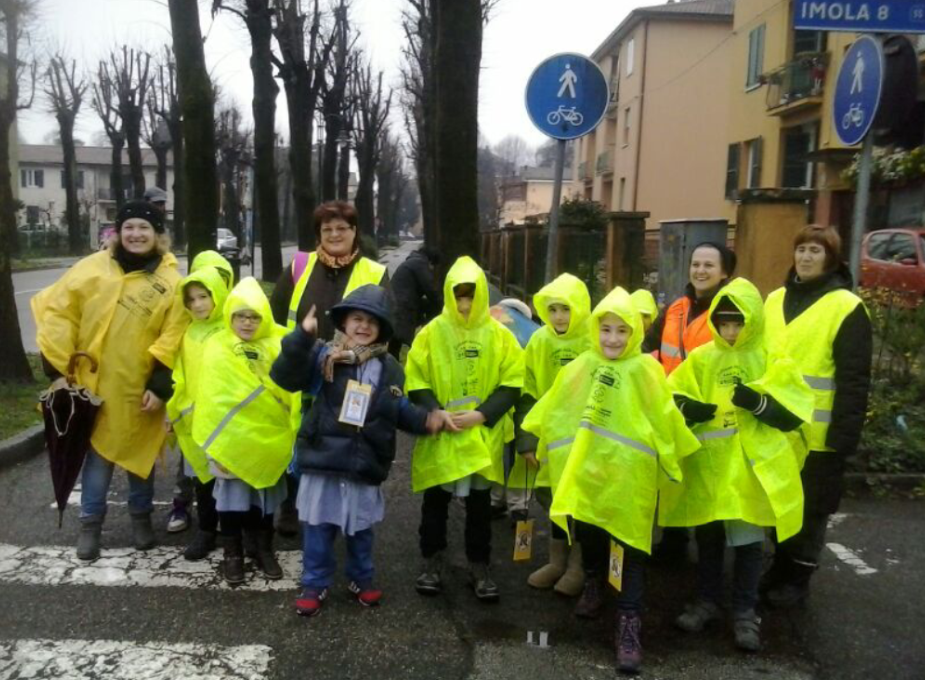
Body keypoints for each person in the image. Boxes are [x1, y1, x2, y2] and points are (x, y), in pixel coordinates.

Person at [524, 286, 699, 674]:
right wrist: (539, 447)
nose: (613, 339)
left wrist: (671, 463)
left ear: (634, 333)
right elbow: (553, 412)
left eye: (622, 331)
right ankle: (593, 584)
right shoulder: (578, 368)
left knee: (632, 554)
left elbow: (666, 419)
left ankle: (628, 630)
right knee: (591, 541)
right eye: (606, 330)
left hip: (629, 484)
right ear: (595, 329)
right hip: (589, 477)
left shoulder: (646, 371)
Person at [270, 285, 452, 617]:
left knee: (361, 530)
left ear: (382, 327)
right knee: (318, 529)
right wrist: (301, 338)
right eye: (357, 318)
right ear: (344, 322)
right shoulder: (323, 355)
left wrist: (427, 420)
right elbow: (284, 376)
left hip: (365, 461)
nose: (364, 326)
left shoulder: (390, 368)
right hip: (323, 460)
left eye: (372, 320)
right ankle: (315, 583)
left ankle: (361, 578)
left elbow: (398, 408)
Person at [661, 278, 814, 652]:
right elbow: (672, 396)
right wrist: (689, 410)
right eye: (724, 323)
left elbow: (794, 414)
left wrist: (759, 404)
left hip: (748, 471)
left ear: (752, 322)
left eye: (737, 323)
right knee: (709, 540)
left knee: (747, 546)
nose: (730, 331)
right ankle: (707, 601)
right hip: (712, 468)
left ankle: (745, 611)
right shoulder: (702, 358)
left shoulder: (770, 357)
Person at [32, 200, 189, 560]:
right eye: (129, 227)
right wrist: (57, 372)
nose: (136, 234)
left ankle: (141, 520)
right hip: (91, 387)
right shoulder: (90, 269)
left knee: (140, 459)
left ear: (157, 234)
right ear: (118, 231)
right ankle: (90, 526)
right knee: (97, 461)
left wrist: (160, 384)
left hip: (139, 386)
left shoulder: (169, 282)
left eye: (144, 228)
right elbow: (59, 314)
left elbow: (173, 335)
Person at [761, 225, 872, 608]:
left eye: (816, 250)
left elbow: (855, 379)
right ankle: (778, 566)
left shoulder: (846, 307)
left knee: (811, 512)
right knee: (778, 504)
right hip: (774, 428)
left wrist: (844, 439)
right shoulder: (774, 300)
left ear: (831, 258)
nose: (806, 257)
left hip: (818, 436)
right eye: (802, 249)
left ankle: (798, 577)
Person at [406, 256, 524, 602]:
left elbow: (512, 383)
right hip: (442, 431)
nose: (465, 304)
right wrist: (435, 411)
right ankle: (432, 561)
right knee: (435, 502)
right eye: (459, 296)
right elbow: (416, 378)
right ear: (448, 295)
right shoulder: (431, 334)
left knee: (478, 506)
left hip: (479, 435)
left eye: (471, 297)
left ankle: (480, 565)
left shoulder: (500, 336)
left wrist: (483, 415)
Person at [270, 201, 389, 537]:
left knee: (344, 441)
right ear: (318, 234)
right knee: (299, 436)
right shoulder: (298, 266)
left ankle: (339, 509)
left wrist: (355, 354)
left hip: (350, 373)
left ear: (355, 232)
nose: (335, 234)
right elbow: (275, 317)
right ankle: (292, 505)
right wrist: (294, 351)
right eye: (327, 229)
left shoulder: (375, 272)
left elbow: (388, 328)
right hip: (303, 370)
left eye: (342, 228)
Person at [192, 277, 294, 585]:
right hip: (230, 441)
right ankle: (232, 553)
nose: (247, 323)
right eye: (240, 316)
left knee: (262, 500)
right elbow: (211, 397)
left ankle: (263, 549)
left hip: (268, 439)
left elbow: (289, 391)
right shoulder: (217, 346)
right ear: (230, 316)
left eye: (254, 316)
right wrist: (217, 445)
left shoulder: (278, 343)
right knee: (232, 503)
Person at [644, 242, 737, 563]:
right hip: (672, 406)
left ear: (725, 272)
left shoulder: (731, 312)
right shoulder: (675, 308)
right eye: (696, 264)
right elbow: (648, 350)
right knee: (674, 476)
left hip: (710, 412)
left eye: (709, 265)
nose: (700, 270)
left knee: (707, 484)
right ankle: (674, 543)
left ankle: (709, 559)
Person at [514, 273, 591, 597]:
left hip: (587, 436)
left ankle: (579, 566)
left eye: (566, 309)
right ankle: (557, 561)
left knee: (582, 502)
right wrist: (527, 439)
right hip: (551, 436)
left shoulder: (593, 340)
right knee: (553, 499)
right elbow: (527, 390)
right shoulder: (540, 341)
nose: (560, 316)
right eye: (554, 309)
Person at [165, 250, 235, 535]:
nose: (197, 304)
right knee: (201, 479)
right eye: (191, 299)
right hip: (195, 422)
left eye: (204, 296)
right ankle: (206, 531)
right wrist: (172, 412)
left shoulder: (235, 326)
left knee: (229, 480)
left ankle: (234, 537)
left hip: (227, 420)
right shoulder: (187, 332)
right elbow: (179, 376)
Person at [388, 245, 442, 358]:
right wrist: (443, 305)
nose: (432, 269)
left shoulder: (413, 261)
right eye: (432, 266)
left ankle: (392, 364)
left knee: (395, 341)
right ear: (430, 260)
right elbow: (430, 290)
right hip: (403, 305)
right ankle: (422, 354)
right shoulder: (419, 264)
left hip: (396, 302)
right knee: (401, 339)